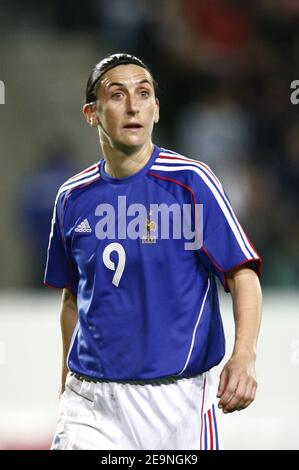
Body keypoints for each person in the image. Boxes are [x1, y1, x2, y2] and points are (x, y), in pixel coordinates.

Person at [44, 53, 262, 450]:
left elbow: (241, 273)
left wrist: (243, 355)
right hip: (92, 402)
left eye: (143, 94)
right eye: (117, 95)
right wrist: (64, 386)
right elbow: (72, 298)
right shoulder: (71, 197)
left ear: (156, 110)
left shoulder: (191, 183)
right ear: (91, 113)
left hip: (177, 402)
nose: (133, 106)